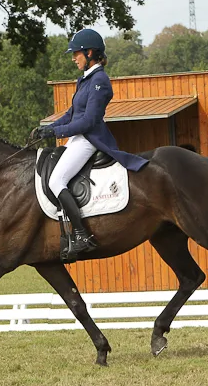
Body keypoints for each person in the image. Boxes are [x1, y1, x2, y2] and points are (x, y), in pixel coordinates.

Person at [32, 28, 149, 260]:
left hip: (89, 139)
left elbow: (88, 122)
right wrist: (49, 126)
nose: (73, 58)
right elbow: (72, 113)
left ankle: (81, 234)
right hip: (78, 137)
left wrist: (55, 131)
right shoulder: (84, 80)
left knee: (56, 180)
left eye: (76, 53)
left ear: (90, 53)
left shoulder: (100, 81)